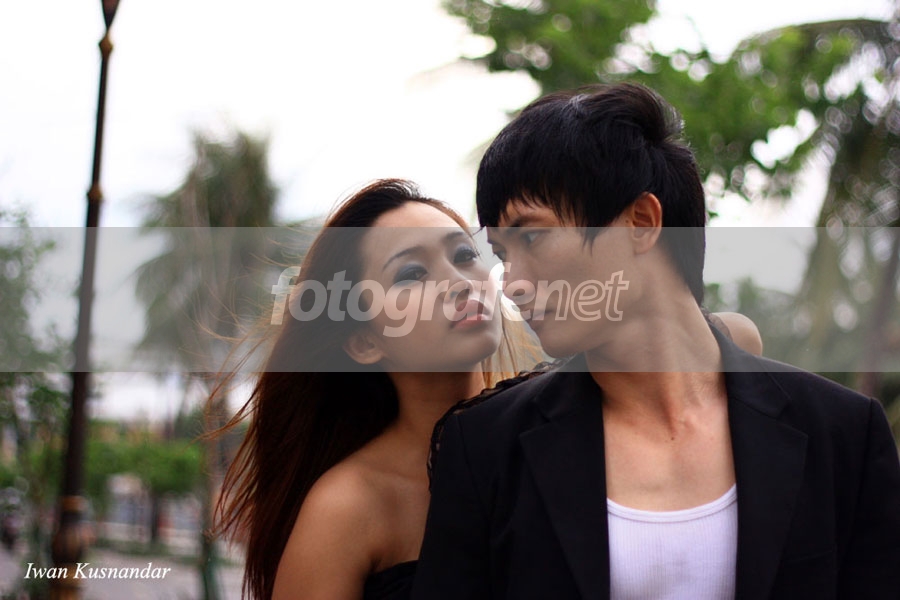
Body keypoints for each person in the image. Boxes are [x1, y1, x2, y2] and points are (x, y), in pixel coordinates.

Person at [412, 83, 900, 599]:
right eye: (503, 254)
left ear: (642, 223)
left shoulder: (842, 432)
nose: (511, 283)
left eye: (532, 237)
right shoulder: (486, 448)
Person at [211, 178, 760, 600]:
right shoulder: (349, 506)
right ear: (364, 341)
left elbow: (738, 335)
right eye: (411, 274)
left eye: (464, 255)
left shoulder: (561, 413)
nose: (458, 282)